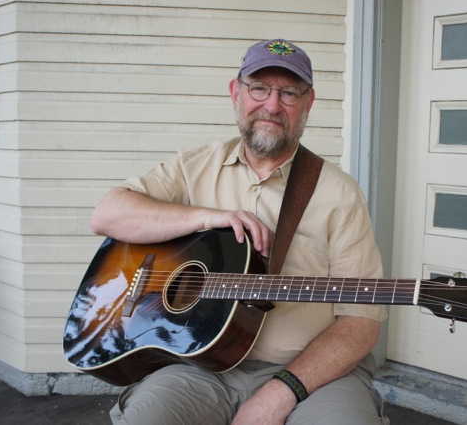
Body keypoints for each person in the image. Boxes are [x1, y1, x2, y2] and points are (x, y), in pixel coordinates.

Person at [90, 39, 389, 425]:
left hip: (312, 375)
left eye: (289, 92)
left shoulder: (339, 193)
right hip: (196, 363)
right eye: (259, 88)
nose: (272, 105)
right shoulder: (193, 166)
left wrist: (281, 392)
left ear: (308, 103)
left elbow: (360, 323)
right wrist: (206, 218)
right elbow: (108, 214)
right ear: (236, 92)